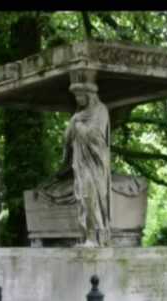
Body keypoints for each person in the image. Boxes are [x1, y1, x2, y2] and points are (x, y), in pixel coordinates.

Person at [38, 76, 110, 247]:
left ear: (89, 95)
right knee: (83, 200)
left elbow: (99, 140)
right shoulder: (77, 116)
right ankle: (86, 237)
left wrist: (79, 127)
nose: (78, 100)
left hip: (94, 166)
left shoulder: (101, 111)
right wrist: (73, 125)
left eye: (81, 96)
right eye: (76, 97)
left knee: (91, 199)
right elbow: (68, 140)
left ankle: (95, 238)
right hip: (80, 165)